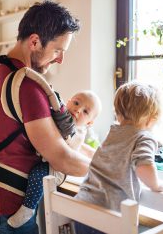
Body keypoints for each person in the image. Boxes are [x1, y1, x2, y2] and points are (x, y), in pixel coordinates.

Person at [0, 0, 91, 234]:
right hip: (7, 208)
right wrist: (107, 170)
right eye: (57, 50)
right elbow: (61, 158)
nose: (60, 59)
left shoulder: (2, 67)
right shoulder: (27, 86)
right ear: (35, 41)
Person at [74, 81, 163, 234]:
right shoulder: (145, 137)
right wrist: (156, 185)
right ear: (152, 119)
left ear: (117, 113)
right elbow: (144, 167)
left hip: (83, 206)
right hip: (110, 213)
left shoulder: (113, 133)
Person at [7, 90, 102, 228]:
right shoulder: (60, 117)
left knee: (37, 174)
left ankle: (28, 208)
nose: (78, 110)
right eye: (76, 103)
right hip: (47, 158)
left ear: (89, 123)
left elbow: (73, 144)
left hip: (56, 169)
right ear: (68, 101)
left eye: (85, 112)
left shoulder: (78, 131)